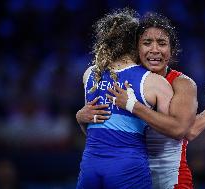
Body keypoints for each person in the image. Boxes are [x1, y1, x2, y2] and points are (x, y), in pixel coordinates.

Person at [76, 12, 205, 189]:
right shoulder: (124, 78)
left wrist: (133, 106)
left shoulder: (182, 83)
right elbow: (106, 134)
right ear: (136, 47)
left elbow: (183, 130)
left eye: (162, 43)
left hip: (170, 179)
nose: (155, 50)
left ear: (171, 50)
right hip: (132, 174)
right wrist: (82, 117)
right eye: (147, 43)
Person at [76, 9, 175, 189]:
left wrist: (79, 119)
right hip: (128, 167)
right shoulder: (154, 83)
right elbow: (165, 141)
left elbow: (93, 128)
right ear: (136, 43)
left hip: (91, 166)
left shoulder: (90, 75)